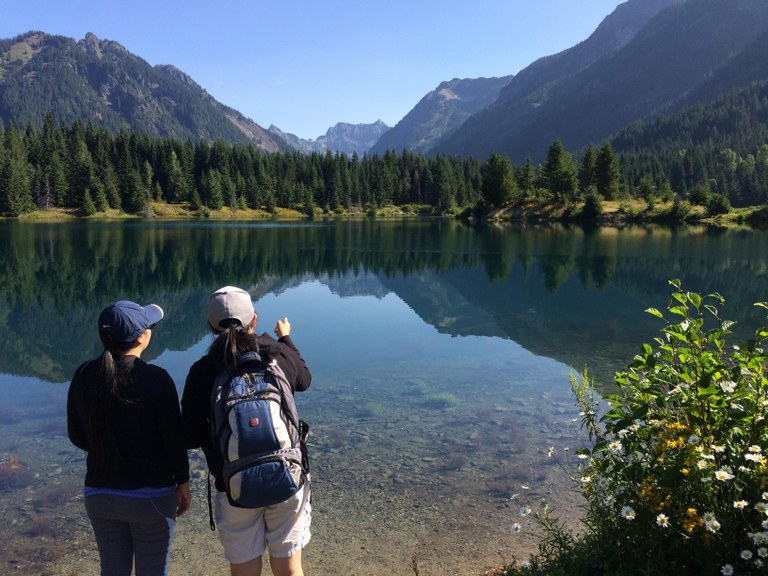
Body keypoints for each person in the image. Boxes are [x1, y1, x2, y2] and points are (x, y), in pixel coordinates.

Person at [182, 286, 312, 576]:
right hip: (288, 474)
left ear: (210, 328)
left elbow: (189, 435)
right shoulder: (276, 353)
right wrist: (285, 338)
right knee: (290, 569)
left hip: (233, 484)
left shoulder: (202, 371)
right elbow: (304, 379)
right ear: (254, 319)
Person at [67, 300, 191, 576]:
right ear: (141, 337)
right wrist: (183, 482)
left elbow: (76, 434)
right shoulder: (156, 379)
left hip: (98, 493)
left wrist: (105, 447)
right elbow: (173, 440)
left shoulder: (84, 374)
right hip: (150, 496)